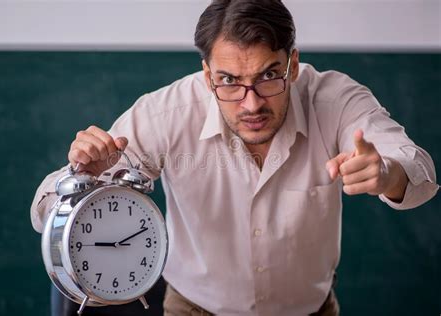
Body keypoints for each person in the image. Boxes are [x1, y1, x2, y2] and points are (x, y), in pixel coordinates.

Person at [31, 0, 438, 315]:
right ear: (208, 75)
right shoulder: (165, 114)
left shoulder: (333, 99)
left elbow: (418, 169)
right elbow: (45, 210)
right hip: (192, 309)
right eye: (229, 81)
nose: (251, 104)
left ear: (292, 65)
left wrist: (388, 173)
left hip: (311, 310)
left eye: (267, 75)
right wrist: (79, 176)